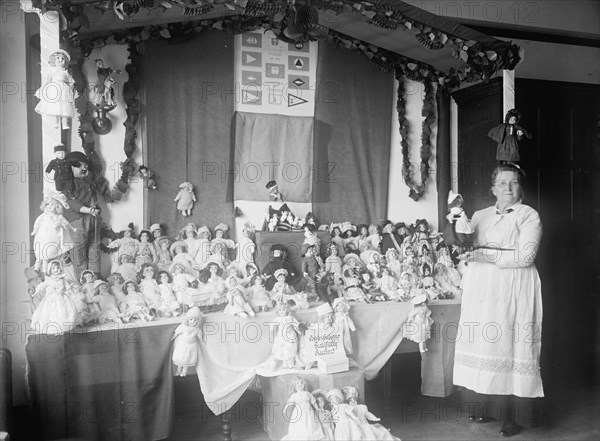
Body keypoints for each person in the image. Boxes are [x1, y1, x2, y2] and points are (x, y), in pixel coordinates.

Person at [454, 163, 543, 437]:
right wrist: (464, 256)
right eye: (502, 183)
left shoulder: (529, 216)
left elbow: (525, 256)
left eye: (513, 182)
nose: (507, 187)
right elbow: (465, 245)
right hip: (482, 292)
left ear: (521, 188)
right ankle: (484, 409)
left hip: (513, 291)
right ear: (492, 187)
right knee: (484, 346)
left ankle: (513, 418)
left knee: (512, 349)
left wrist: (484, 256)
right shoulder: (480, 215)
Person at [62, 151, 129, 279]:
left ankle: (96, 279)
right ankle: (83, 281)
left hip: (93, 219)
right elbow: (71, 201)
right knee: (78, 251)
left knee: (95, 248)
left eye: (85, 165)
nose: (84, 168)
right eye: (79, 166)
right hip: (78, 220)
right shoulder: (69, 183)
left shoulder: (87, 180)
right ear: (69, 168)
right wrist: (87, 210)